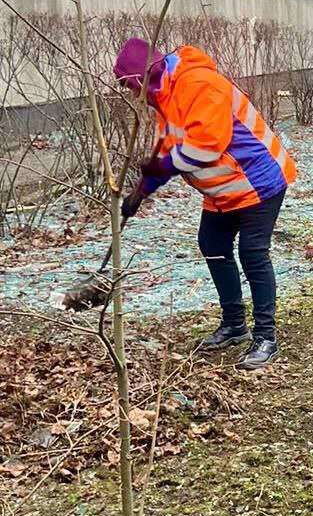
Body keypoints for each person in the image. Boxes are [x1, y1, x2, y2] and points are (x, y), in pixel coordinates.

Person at [113, 38, 296, 371]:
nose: (131, 94)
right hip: (223, 189)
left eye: (130, 85)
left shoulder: (199, 83)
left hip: (258, 179)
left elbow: (209, 145)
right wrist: (141, 191)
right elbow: (169, 150)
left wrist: (163, 169)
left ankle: (265, 337)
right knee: (212, 244)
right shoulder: (166, 96)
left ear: (143, 76)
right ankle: (234, 325)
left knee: (253, 253)